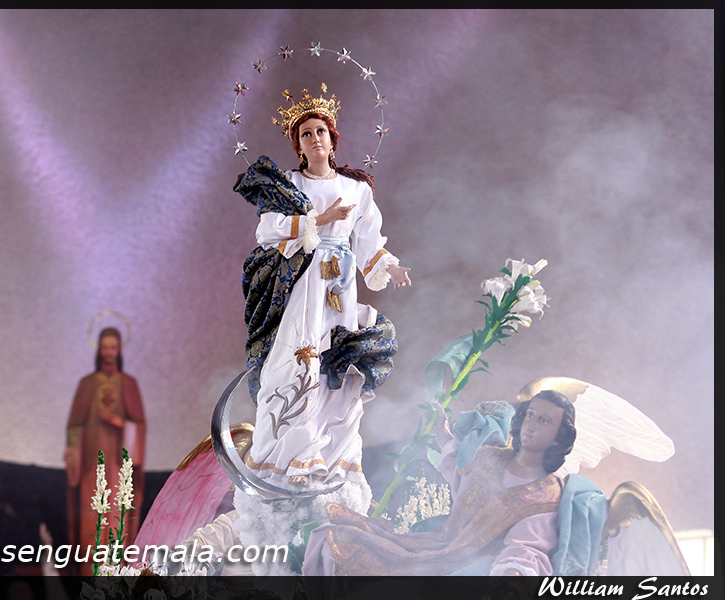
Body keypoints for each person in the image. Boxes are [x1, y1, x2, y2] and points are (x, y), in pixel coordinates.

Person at [235, 84, 411, 489]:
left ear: (333, 139)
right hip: (306, 281)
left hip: (341, 284)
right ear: (298, 145)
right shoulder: (289, 184)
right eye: (306, 134)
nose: (315, 138)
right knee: (303, 358)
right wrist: (322, 217)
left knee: (337, 362)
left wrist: (391, 265)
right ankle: (297, 454)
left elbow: (368, 242)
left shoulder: (356, 189)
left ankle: (333, 454)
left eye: (320, 131)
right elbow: (269, 229)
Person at [302, 390, 577, 576]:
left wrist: (513, 574)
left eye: (544, 421)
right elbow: (458, 472)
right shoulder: (491, 457)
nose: (531, 425)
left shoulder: (546, 494)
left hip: (470, 565)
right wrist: (441, 431)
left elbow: (527, 547)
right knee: (332, 538)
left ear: (559, 437)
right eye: (530, 414)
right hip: (435, 545)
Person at [64, 326, 146, 574]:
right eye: (105, 347)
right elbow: (74, 424)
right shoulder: (87, 384)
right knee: (91, 520)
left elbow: (139, 426)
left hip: (119, 468)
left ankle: (116, 579)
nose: (109, 352)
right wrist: (72, 450)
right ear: (99, 350)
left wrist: (117, 422)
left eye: (113, 347)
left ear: (119, 350)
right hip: (91, 468)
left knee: (116, 520)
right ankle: (89, 579)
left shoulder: (129, 384)